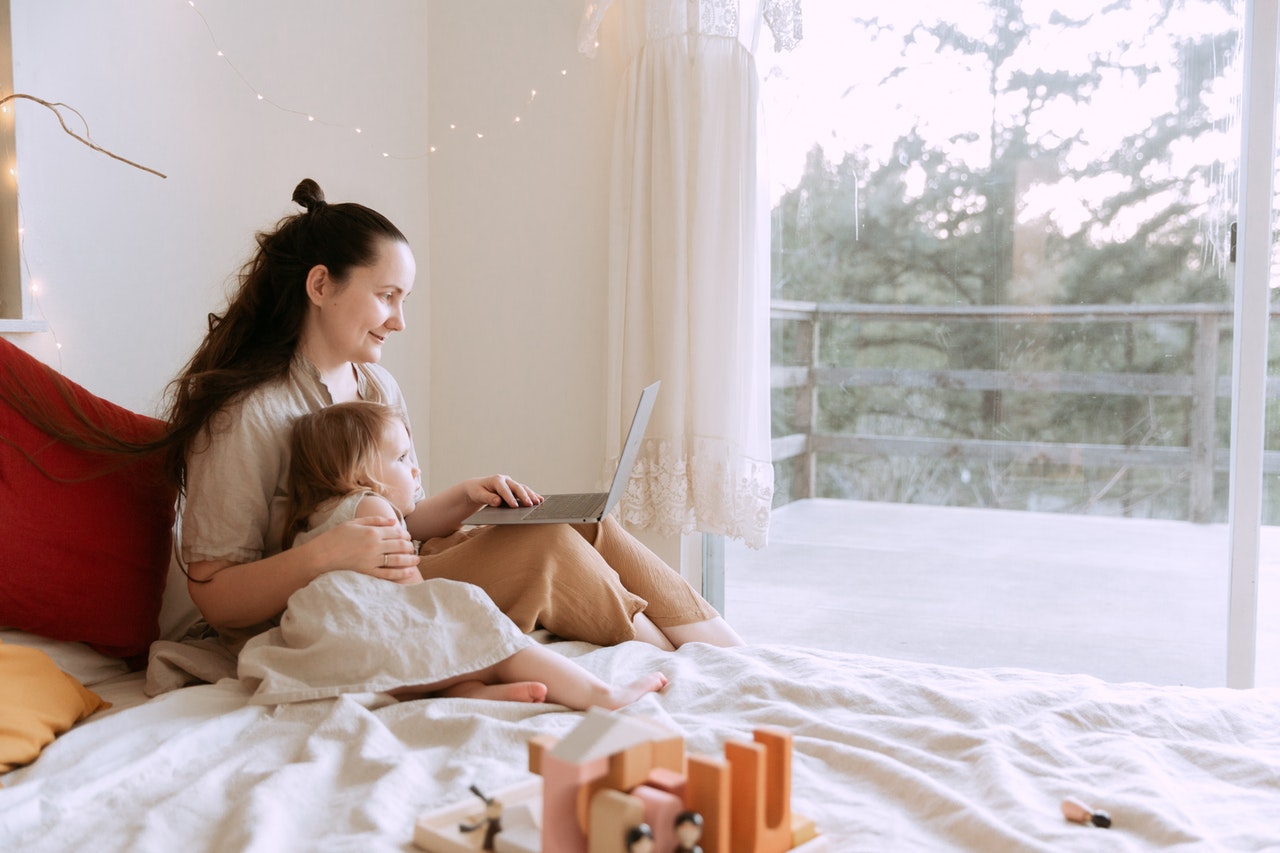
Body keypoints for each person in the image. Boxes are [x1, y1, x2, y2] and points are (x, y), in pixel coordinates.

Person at [167, 177, 742, 656]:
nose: (399, 321)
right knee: (542, 551)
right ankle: (671, 663)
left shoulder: (377, 385)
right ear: (321, 285)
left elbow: (395, 525)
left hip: (400, 573)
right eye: (387, 296)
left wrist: (465, 498)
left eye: (404, 301)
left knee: (588, 523)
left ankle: (724, 651)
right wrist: (325, 554)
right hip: (336, 608)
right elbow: (215, 596)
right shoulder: (247, 413)